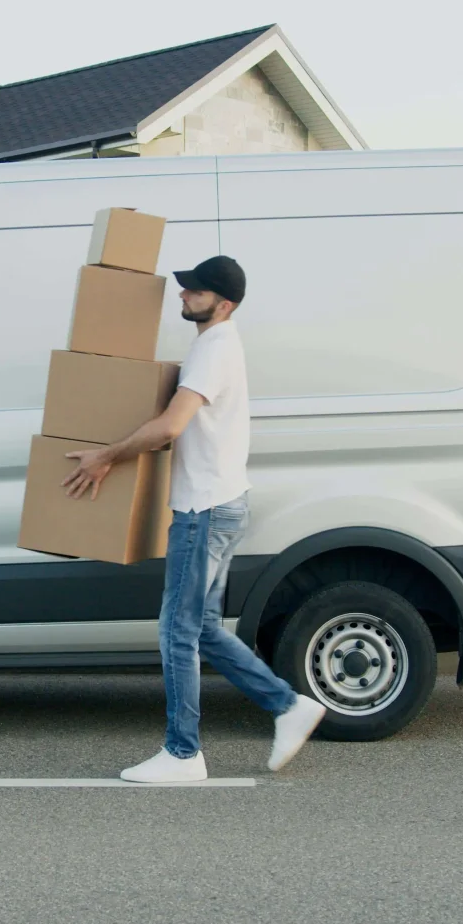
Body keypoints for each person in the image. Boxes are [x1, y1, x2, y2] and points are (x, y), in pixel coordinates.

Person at [61, 255, 325, 782]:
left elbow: (169, 428)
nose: (183, 296)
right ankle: (289, 705)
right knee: (200, 626)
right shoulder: (217, 345)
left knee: (177, 630)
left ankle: (183, 753)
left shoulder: (214, 347)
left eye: (195, 291)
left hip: (204, 510)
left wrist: (105, 456)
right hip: (223, 502)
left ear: (222, 304)